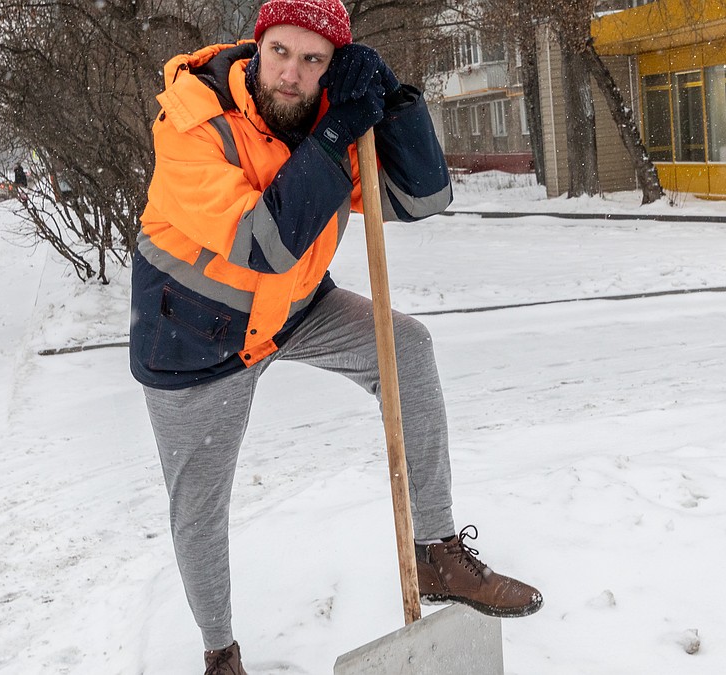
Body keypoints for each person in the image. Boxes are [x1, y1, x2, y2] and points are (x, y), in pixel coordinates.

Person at [130, 1, 542, 672]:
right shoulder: (193, 121)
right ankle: (219, 650)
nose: (292, 74)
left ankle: (435, 552)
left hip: (292, 308)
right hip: (195, 334)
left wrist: (394, 102)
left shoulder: (326, 117)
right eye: (282, 54)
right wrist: (340, 128)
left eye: (314, 60)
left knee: (406, 349)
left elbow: (423, 199)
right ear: (257, 47)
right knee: (200, 507)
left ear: (332, 67)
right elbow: (263, 241)